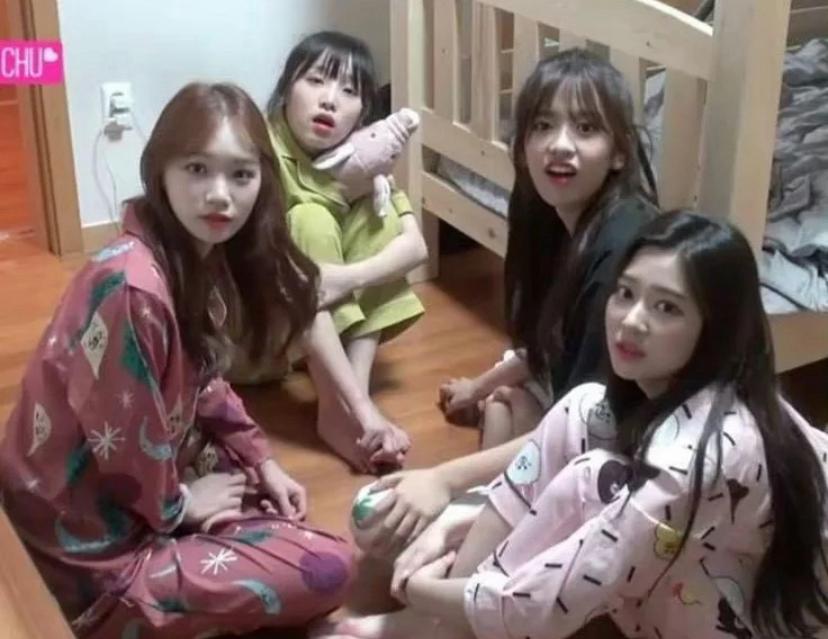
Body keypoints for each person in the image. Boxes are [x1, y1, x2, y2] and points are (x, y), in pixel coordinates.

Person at [321, 211, 828, 639]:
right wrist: (457, 524)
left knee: (591, 480)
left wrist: (417, 587)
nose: (631, 320)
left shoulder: (695, 456)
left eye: (666, 307)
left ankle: (439, 623)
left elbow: (536, 611)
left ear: (714, 329)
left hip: (770, 618)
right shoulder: (685, 387)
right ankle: (443, 624)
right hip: (719, 553)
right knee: (584, 409)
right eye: (625, 293)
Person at [0, 83, 355, 638]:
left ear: (262, 182)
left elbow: (204, 379)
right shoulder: (133, 287)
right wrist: (180, 506)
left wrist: (262, 460)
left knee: (261, 494)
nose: (219, 196)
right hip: (88, 557)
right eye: (197, 169)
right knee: (329, 566)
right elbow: (124, 439)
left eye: (241, 175)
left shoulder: (188, 255)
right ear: (160, 170)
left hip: (115, 488)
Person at [439, 48, 658, 450]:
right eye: (543, 125)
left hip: (627, 442)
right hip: (585, 412)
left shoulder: (619, 254)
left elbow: (586, 427)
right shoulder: (547, 214)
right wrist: (476, 388)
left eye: (586, 128)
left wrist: (443, 478)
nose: (559, 145)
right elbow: (548, 347)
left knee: (507, 408)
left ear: (620, 153)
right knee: (502, 402)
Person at [264, 31, 427, 474]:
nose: (330, 100)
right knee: (311, 219)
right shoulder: (262, 147)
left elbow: (414, 245)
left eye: (349, 91)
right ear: (286, 88)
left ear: (363, 111)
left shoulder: (363, 156)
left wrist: (344, 279)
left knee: (377, 218)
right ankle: (353, 407)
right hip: (256, 329)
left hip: (312, 318)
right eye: (316, 80)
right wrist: (336, 194)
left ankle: (343, 402)